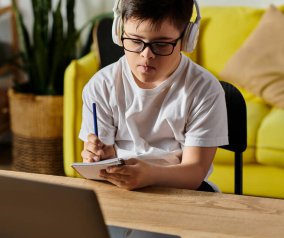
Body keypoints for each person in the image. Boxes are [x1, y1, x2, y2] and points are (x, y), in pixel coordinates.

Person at [79, 0, 228, 192]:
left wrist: (149, 176)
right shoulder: (101, 86)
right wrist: (97, 159)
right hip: (120, 189)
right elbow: (98, 166)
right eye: (134, 40)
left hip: (182, 193)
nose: (146, 55)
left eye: (161, 44)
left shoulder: (204, 89)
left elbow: (195, 173)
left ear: (186, 40)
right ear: (119, 32)